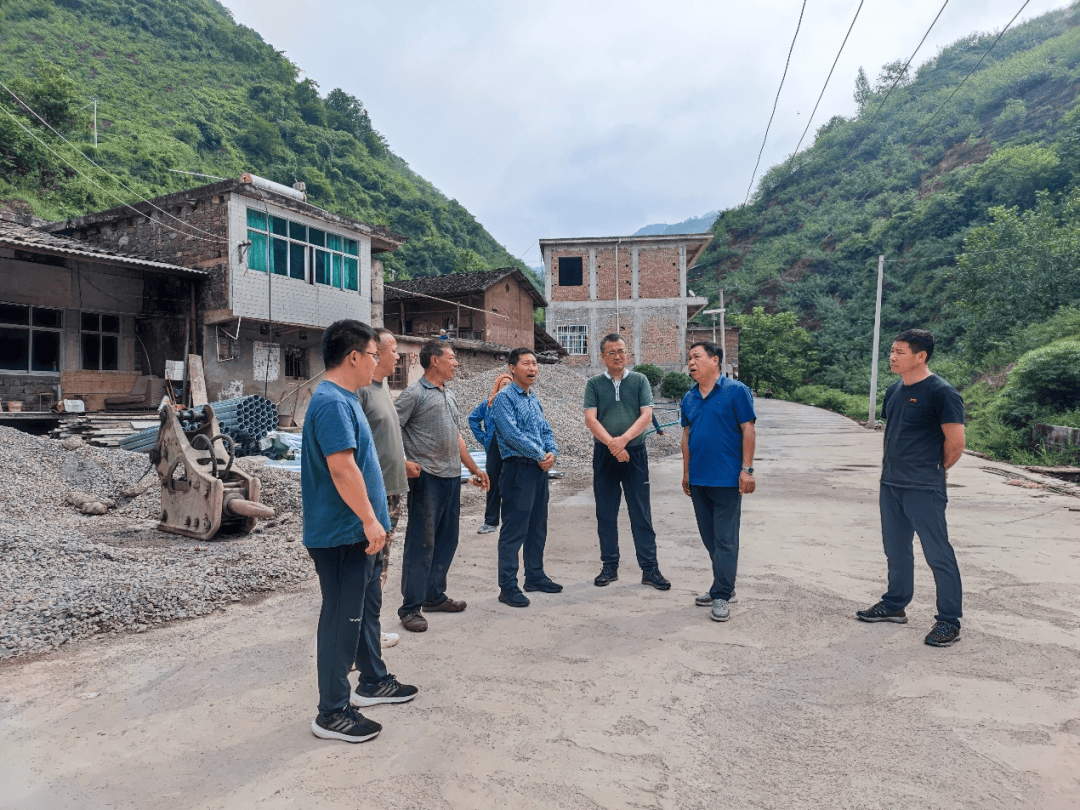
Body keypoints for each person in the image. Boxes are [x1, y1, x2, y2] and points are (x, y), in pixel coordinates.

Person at [301, 319, 417, 744]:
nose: (377, 362)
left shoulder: (347, 398)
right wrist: (370, 519)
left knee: (361, 610)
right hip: (343, 534)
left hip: (358, 532)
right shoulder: (332, 402)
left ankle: (371, 683)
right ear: (353, 356)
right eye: (373, 354)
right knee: (340, 620)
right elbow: (341, 466)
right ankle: (331, 712)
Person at [856, 329, 966, 647]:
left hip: (923, 487)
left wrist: (933, 471)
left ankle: (949, 621)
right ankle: (894, 605)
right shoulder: (894, 391)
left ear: (921, 356)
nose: (892, 356)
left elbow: (956, 443)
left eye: (900, 352)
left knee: (938, 554)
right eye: (892, 351)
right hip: (890, 484)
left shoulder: (941, 392)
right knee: (896, 550)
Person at [394, 340, 489, 632]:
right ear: (434, 361)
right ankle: (410, 608)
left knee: (447, 540)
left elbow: (456, 435)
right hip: (427, 479)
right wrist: (402, 463)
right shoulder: (414, 394)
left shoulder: (449, 395)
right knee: (421, 543)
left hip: (450, 477)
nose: (456, 362)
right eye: (451, 357)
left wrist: (474, 468)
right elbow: (390, 428)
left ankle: (434, 596)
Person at [584, 334, 670, 590]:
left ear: (627, 353)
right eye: (611, 352)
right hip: (604, 457)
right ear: (602, 357)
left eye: (621, 350)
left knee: (641, 512)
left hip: (635, 454)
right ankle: (609, 566)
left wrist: (623, 440)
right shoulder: (594, 384)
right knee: (606, 513)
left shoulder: (640, 381)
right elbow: (591, 419)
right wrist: (612, 444)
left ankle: (650, 569)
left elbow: (646, 415)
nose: (617, 356)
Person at [680, 340, 756, 623]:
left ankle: (722, 594)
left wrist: (746, 469)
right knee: (709, 537)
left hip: (727, 478)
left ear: (715, 360)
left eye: (697, 356)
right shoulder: (689, 397)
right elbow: (686, 436)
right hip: (698, 479)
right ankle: (724, 585)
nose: (691, 362)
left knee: (725, 538)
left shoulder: (736, 391)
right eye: (689, 358)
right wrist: (686, 473)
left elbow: (748, 428)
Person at [489, 347, 560, 607]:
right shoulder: (504, 398)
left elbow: (545, 428)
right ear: (512, 368)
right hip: (518, 469)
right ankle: (507, 587)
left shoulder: (532, 398)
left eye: (535, 363)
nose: (533, 368)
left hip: (539, 470)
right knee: (514, 530)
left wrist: (552, 451)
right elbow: (511, 434)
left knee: (537, 526)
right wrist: (540, 454)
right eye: (526, 364)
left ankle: (535, 576)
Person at [356, 327, 406, 649]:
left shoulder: (383, 388)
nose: (398, 356)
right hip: (376, 494)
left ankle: (369, 630)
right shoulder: (362, 392)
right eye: (393, 350)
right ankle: (366, 634)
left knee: (382, 565)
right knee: (372, 567)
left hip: (392, 490)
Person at [469, 372, 514, 535]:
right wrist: (484, 438)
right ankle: (491, 522)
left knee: (512, 484)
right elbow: (473, 419)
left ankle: (512, 522)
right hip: (494, 448)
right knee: (493, 484)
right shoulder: (488, 404)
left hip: (511, 449)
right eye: (504, 384)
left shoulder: (516, 404)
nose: (507, 387)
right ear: (497, 386)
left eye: (510, 384)